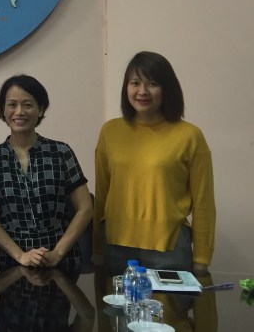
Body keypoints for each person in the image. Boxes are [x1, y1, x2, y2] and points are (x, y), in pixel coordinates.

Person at [93, 51, 216, 275]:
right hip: (115, 247)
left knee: (169, 302)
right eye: (135, 83)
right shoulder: (110, 131)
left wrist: (202, 257)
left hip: (169, 249)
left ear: (167, 88)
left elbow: (203, 202)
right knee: (112, 301)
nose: (142, 91)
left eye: (152, 83)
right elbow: (101, 194)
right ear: (126, 88)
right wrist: (97, 247)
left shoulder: (190, 135)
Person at [0, 75, 93, 273]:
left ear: (41, 109)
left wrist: (57, 253)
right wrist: (20, 255)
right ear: (3, 110)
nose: (19, 112)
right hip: (13, 262)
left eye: (28, 105)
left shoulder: (61, 153)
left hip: (61, 260)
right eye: (12, 105)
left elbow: (85, 208)